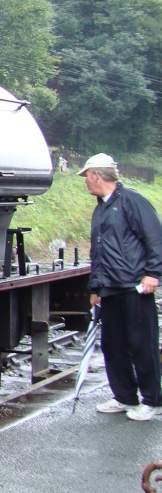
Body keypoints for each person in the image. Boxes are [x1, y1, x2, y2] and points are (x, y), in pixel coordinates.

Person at [78, 153, 162, 421]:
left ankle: (152, 400)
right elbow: (98, 251)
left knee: (142, 344)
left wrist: (152, 273)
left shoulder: (132, 201)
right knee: (113, 345)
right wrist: (95, 288)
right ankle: (125, 397)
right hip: (110, 287)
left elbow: (154, 237)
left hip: (134, 286)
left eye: (86, 177)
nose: (85, 183)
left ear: (97, 175)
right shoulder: (101, 207)